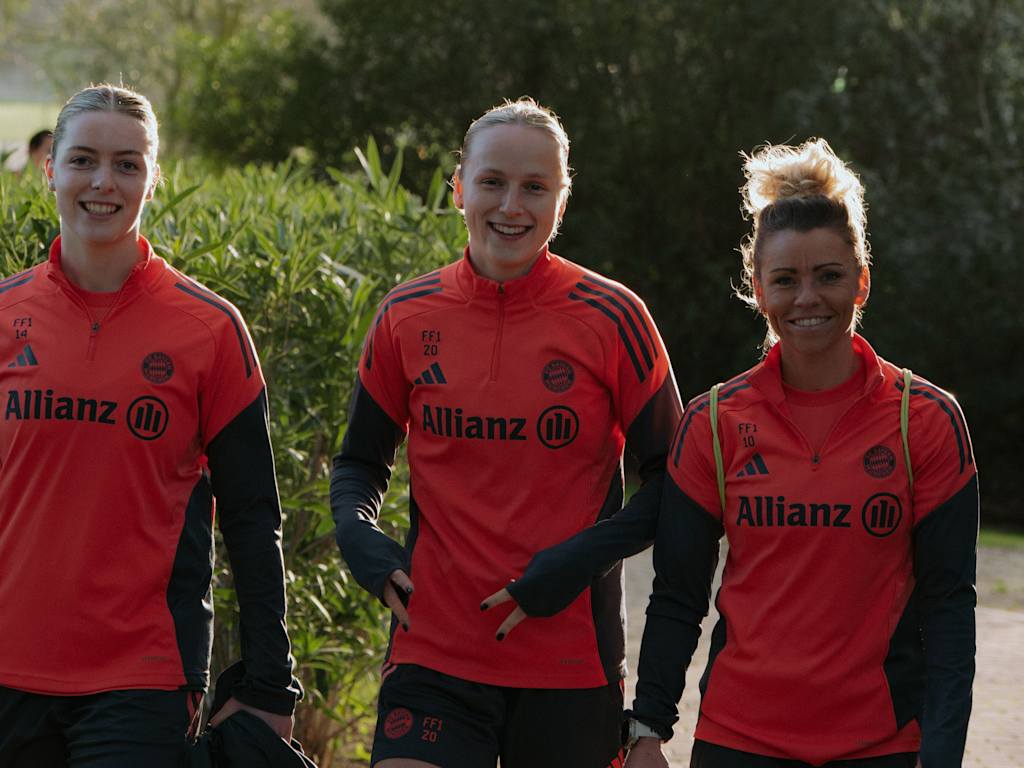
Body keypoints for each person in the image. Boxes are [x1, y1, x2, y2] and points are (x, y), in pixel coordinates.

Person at [331, 97, 682, 768]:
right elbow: (359, 465)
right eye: (492, 182)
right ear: (459, 187)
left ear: (562, 199)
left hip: (570, 662)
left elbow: (676, 480)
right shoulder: (405, 315)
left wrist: (574, 564)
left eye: (535, 187)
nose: (510, 206)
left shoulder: (614, 318)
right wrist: (359, 539)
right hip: (433, 649)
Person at [624, 139, 978, 768]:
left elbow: (949, 605)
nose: (807, 298)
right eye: (786, 279)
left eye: (829, 276)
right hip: (739, 743)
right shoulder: (713, 422)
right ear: (758, 289)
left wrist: (943, 752)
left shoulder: (923, 419)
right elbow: (678, 594)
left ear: (861, 282)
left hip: (880, 746)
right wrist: (647, 728)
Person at [0, 84, 301, 767]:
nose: (104, 182)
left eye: (128, 164)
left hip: (141, 676)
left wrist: (271, 682)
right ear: (50, 170)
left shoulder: (210, 330)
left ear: (153, 179)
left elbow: (254, 519)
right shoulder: (5, 311)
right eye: (83, 160)